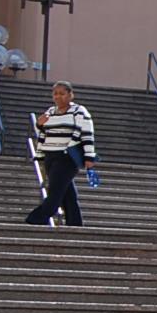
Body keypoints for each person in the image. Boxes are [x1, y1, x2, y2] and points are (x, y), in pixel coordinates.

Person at [25, 81, 98, 227]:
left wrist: (89, 157)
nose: (58, 97)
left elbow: (87, 134)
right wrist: (39, 125)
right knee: (67, 193)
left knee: (55, 193)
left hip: (67, 157)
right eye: (55, 94)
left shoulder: (79, 111)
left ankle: (36, 218)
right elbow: (43, 134)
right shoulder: (50, 111)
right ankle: (75, 223)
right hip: (50, 156)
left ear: (70, 95)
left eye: (62, 94)